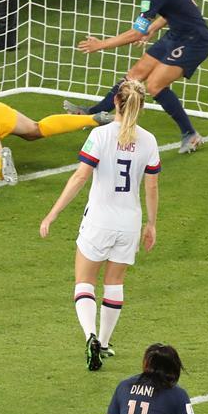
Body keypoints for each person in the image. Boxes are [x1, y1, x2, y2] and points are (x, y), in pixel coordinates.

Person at [40, 80, 160, 371]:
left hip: (99, 221)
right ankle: (104, 343)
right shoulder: (149, 140)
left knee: (84, 282)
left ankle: (90, 335)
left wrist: (53, 213)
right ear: (140, 106)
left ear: (115, 102)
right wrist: (151, 224)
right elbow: (152, 186)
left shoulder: (100, 135)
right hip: (129, 222)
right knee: (115, 283)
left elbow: (80, 177)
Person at [64, 0, 208, 154]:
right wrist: (153, 27)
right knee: (134, 75)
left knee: (154, 85)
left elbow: (136, 33)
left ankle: (190, 134)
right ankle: (93, 113)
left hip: (194, 41)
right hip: (177, 35)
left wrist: (101, 45)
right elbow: (189, 4)